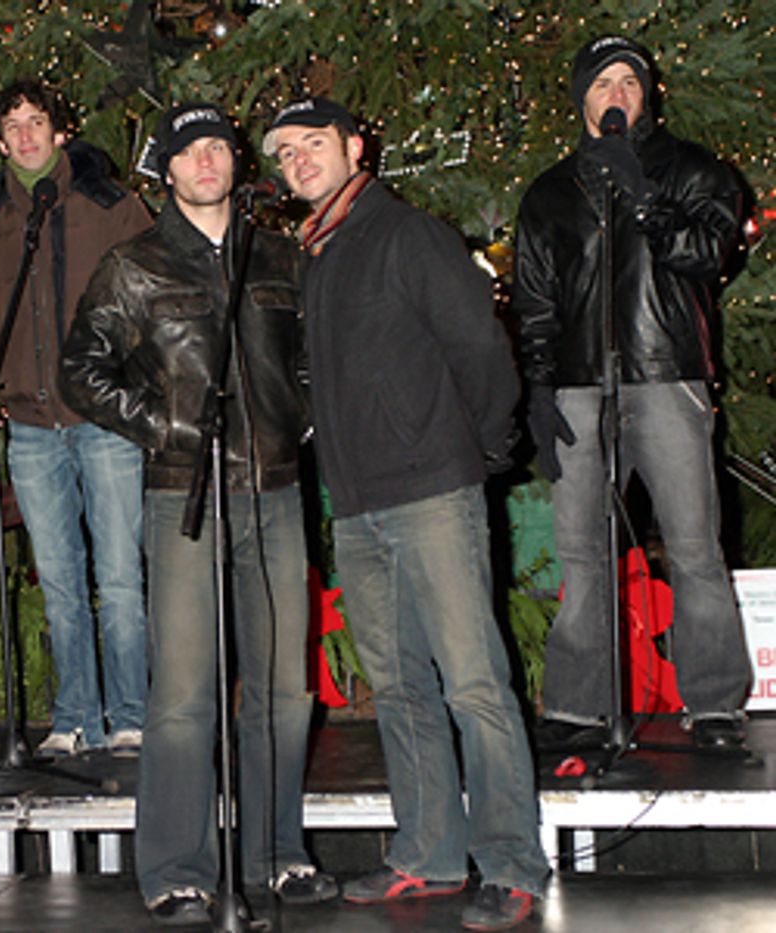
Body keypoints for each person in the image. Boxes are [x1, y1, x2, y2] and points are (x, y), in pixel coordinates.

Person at [271, 97, 549, 932]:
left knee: (473, 684)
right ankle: (428, 853)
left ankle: (510, 862)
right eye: (284, 153)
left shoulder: (409, 235)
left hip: (432, 490)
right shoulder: (315, 256)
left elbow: (481, 347)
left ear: (357, 146)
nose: (298, 161)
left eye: (312, 144)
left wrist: (481, 450)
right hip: (357, 507)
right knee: (398, 688)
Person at [61, 102, 336, 927]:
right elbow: (84, 368)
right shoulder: (134, 265)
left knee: (286, 689)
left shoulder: (281, 256)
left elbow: (313, 356)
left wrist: (304, 416)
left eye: (218, 146)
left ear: (235, 163)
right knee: (183, 694)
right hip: (185, 496)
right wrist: (171, 426)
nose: (207, 160)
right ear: (167, 170)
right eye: (190, 150)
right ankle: (178, 868)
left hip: (278, 492)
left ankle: (275, 854)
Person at [513, 35, 752, 751]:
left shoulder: (691, 170)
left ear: (647, 96)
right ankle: (580, 706)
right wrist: (539, 385)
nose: (616, 94)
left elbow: (710, 255)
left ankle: (714, 703)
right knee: (583, 551)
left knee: (693, 545)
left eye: (629, 82)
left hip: (667, 373)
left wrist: (646, 196)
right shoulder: (551, 192)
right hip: (583, 387)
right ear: (581, 96)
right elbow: (535, 300)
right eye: (602, 83)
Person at [0, 78, 153, 758]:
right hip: (33, 425)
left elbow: (152, 290)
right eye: (13, 125)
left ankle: (132, 713)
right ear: (0, 141)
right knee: (61, 580)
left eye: (37, 121)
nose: (27, 135)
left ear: (60, 130)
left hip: (103, 419)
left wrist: (122, 371)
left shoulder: (110, 203)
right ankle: (74, 717)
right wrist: (3, 372)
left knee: (121, 575)